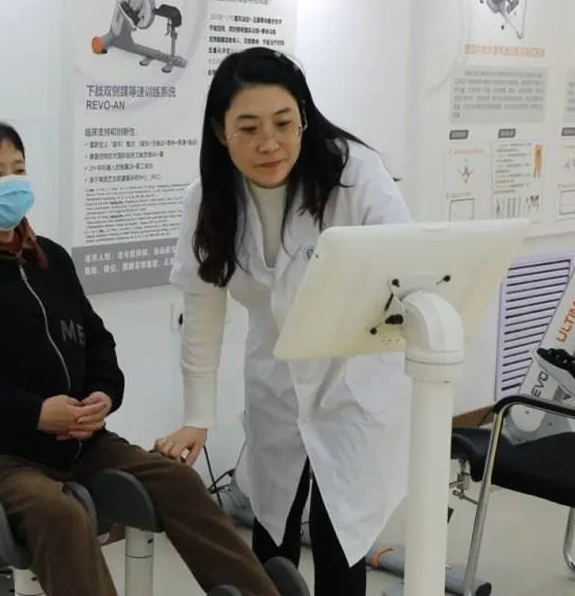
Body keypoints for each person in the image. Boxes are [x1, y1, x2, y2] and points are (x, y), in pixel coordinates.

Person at [0, 116, 300, 596]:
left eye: (19, 170)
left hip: (79, 445)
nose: (12, 183)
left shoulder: (48, 258)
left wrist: (102, 395)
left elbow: (97, 341)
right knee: (61, 514)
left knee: (178, 483)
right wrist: (36, 414)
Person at [155, 47, 413, 596]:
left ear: (304, 118)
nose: (269, 143)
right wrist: (197, 417)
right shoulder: (209, 199)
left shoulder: (354, 176)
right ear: (221, 132)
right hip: (275, 378)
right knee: (273, 526)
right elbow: (202, 308)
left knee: (339, 533)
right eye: (248, 128)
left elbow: (405, 264)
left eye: (283, 123)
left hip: (354, 378)